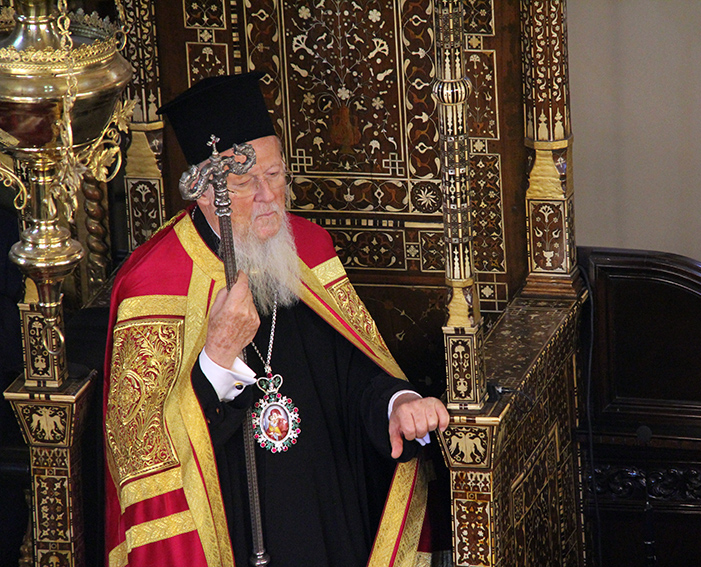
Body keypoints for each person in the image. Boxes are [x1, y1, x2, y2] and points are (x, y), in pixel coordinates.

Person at [102, 72, 449, 567]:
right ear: (205, 194)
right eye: (245, 183)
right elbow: (143, 454)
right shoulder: (153, 283)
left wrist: (398, 403)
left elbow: (352, 376)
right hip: (230, 531)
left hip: (325, 519)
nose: (268, 195)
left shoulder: (306, 247)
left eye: (275, 174)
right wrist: (217, 359)